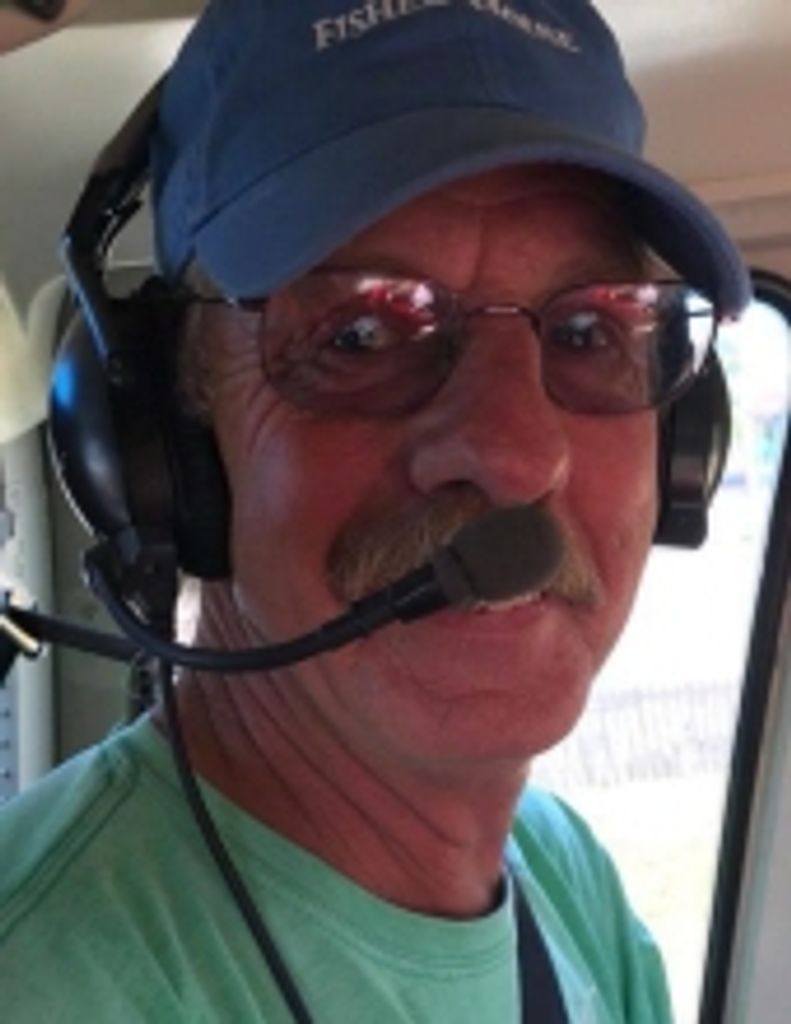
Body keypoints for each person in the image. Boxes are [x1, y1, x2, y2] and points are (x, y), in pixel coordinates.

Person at [0, 1, 750, 1021]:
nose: (514, 458)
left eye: (586, 332)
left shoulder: (565, 880)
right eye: (359, 335)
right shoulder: (43, 979)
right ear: (170, 444)